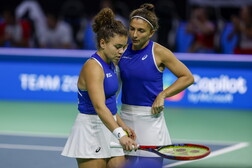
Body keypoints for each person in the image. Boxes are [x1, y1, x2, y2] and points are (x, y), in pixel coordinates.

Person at [118, 3, 194, 168]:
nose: (134, 35)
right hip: (125, 118)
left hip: (150, 119)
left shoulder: (159, 52)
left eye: (141, 31)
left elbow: (187, 77)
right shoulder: (122, 50)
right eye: (131, 29)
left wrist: (163, 95)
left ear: (151, 32)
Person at [61, 8, 137, 168]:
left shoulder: (111, 65)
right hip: (91, 130)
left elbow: (110, 105)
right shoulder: (93, 67)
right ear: (102, 43)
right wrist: (120, 134)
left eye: (124, 46)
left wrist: (122, 125)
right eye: (117, 46)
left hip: (110, 125)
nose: (121, 51)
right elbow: (99, 106)